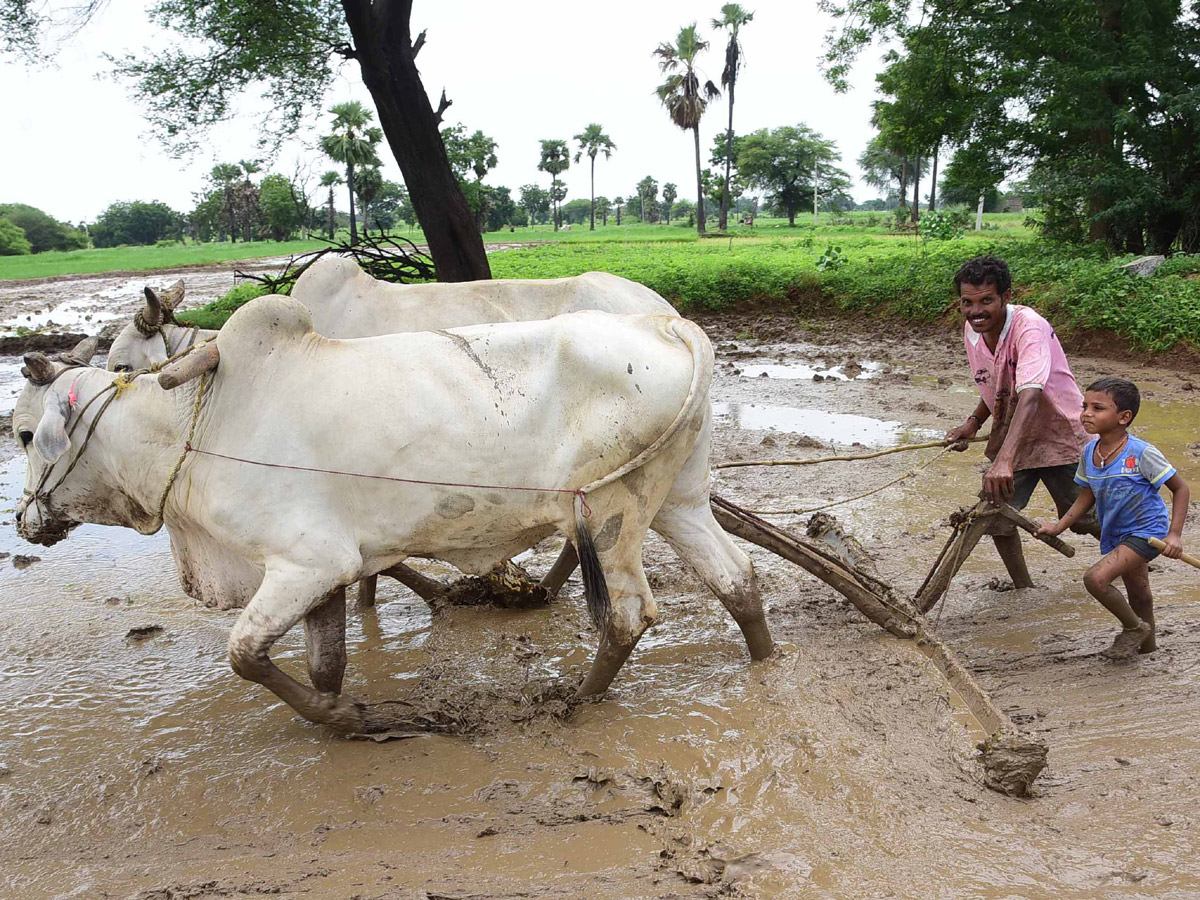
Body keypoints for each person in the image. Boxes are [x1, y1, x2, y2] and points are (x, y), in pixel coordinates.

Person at [944, 255, 1098, 583]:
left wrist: (1004, 460)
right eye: (967, 302)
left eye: (986, 300)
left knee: (1087, 518)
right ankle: (1023, 588)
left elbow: (1029, 393)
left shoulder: (1029, 327)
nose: (976, 311)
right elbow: (995, 383)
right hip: (1015, 435)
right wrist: (973, 422)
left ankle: (1131, 561)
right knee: (995, 515)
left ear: (1006, 296)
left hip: (1060, 435)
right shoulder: (972, 332)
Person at [1037, 378, 1188, 658]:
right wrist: (1058, 527)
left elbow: (1180, 488)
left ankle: (1133, 629)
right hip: (1116, 533)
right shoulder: (1088, 452)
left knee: (1095, 578)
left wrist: (1174, 534)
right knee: (1139, 595)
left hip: (1147, 533)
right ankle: (1148, 652)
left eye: (1097, 408)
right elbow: (1086, 496)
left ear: (1123, 417)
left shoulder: (1141, 452)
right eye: (1085, 406)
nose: (1086, 413)